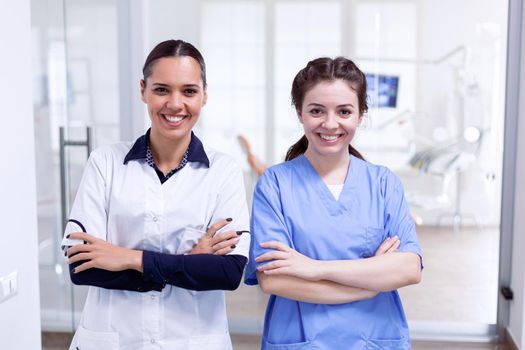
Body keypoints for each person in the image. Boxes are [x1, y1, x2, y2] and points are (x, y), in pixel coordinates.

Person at [61, 39, 251, 350]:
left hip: (192, 339)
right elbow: (82, 268)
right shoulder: (105, 163)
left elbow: (227, 273)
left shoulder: (223, 171)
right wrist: (188, 262)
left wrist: (127, 258)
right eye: (162, 89)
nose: (175, 104)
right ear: (143, 90)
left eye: (189, 91)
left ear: (204, 95)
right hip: (115, 338)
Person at [245, 57, 422, 349]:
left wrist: (314, 268)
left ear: (360, 115)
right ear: (300, 113)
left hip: (375, 337)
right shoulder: (275, 185)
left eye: (344, 111)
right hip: (300, 339)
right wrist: (368, 285)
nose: (330, 123)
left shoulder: (383, 183)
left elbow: (408, 269)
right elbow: (274, 281)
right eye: (316, 110)